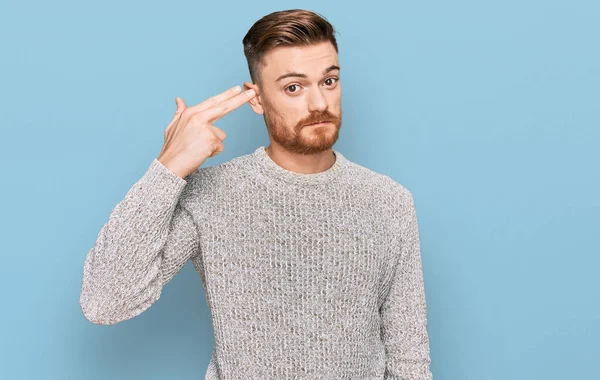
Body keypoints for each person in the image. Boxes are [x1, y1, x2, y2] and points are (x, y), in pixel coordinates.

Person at [79, 8, 433, 380]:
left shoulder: (389, 202)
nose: (319, 104)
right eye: (293, 87)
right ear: (257, 98)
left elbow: (409, 359)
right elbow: (105, 301)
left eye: (329, 81)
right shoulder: (212, 195)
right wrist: (168, 168)